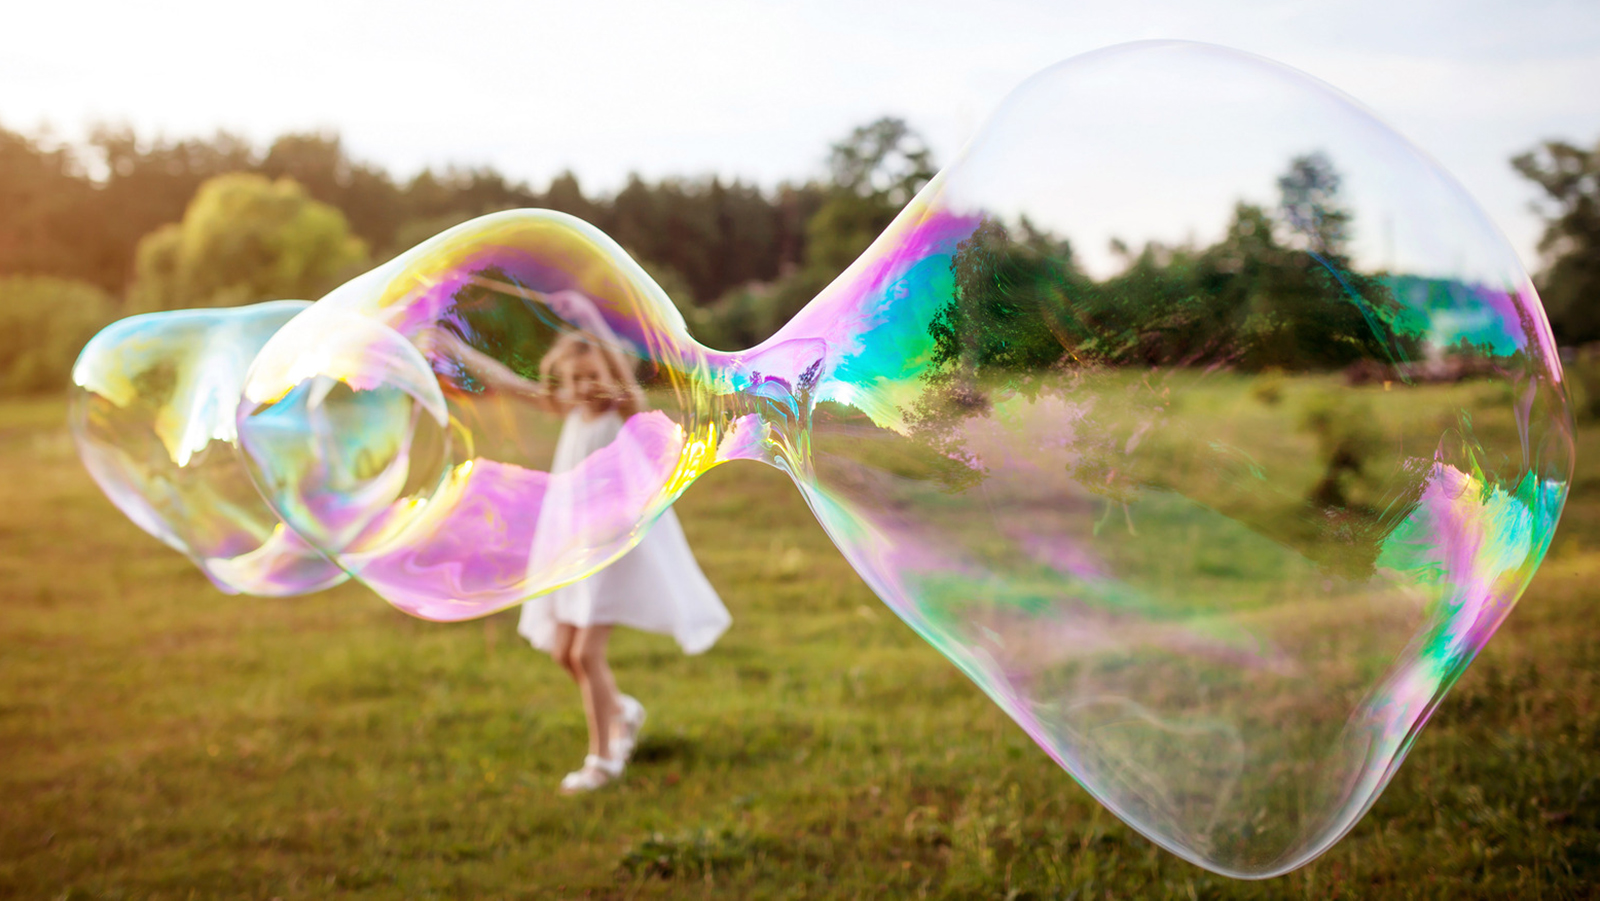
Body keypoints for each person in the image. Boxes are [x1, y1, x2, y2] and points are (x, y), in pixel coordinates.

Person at [513, 329, 731, 794]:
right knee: (562, 652)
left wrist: (588, 317)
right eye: (576, 378)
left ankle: (603, 759)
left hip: (616, 548)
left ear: (610, 375)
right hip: (575, 546)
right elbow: (508, 384)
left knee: (585, 654)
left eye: (595, 375)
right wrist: (456, 351)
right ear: (565, 383)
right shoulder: (571, 412)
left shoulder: (623, 412)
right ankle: (623, 711)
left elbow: (628, 392)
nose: (587, 385)